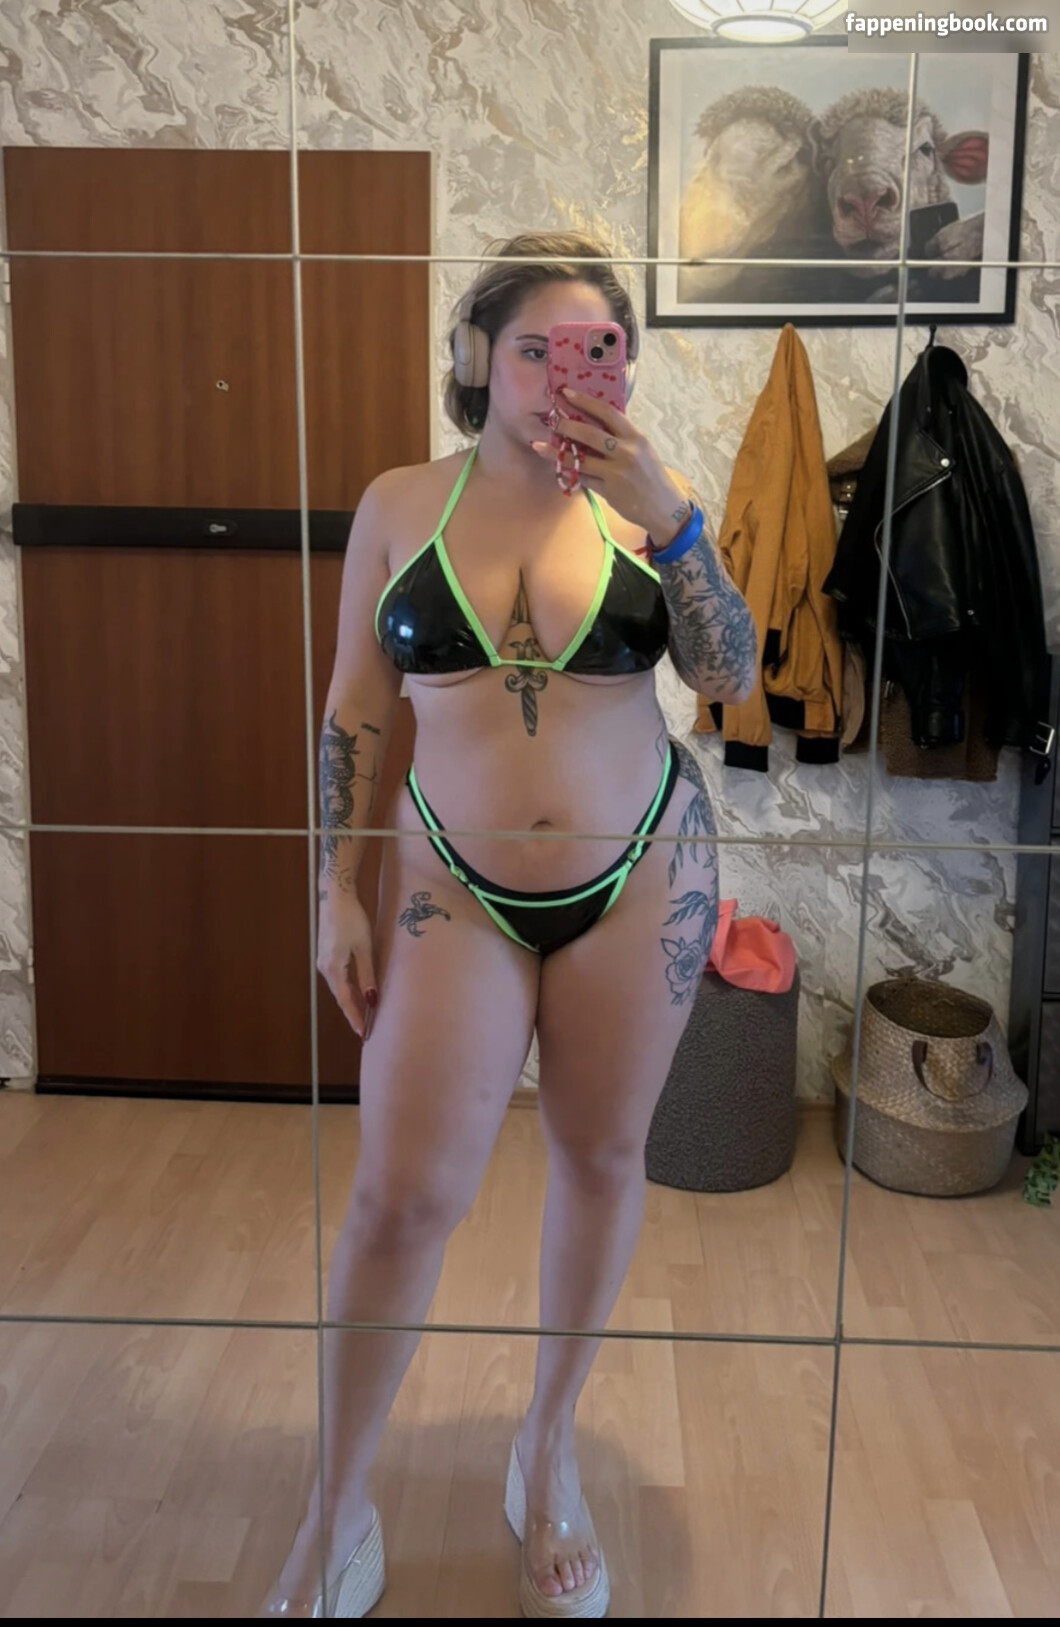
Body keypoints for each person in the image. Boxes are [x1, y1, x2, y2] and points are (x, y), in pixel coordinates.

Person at [263, 232, 756, 1619]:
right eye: (532, 348)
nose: (559, 377)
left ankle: (545, 1456)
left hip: (639, 871)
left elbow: (728, 677)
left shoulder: (651, 507)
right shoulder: (398, 504)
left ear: (625, 366)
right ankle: (336, 1504)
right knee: (402, 1194)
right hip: (450, 885)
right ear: (479, 358)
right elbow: (357, 706)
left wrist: (676, 523)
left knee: (600, 1157)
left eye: (592, 349)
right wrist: (333, 888)